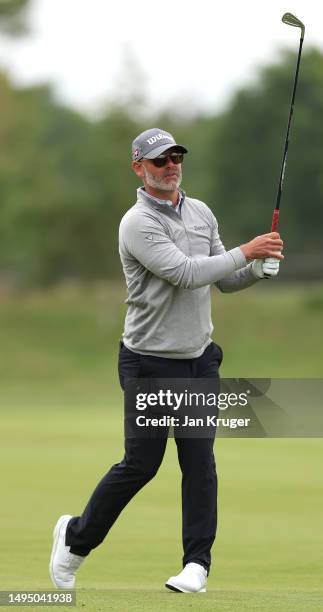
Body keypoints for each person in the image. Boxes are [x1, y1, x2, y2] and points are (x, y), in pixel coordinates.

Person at [49, 128, 283, 593]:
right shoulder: (136, 223)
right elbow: (184, 273)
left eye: (176, 156)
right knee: (142, 464)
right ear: (139, 167)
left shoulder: (201, 213)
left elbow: (224, 279)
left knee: (200, 462)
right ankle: (74, 538)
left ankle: (197, 564)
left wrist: (258, 268)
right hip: (149, 363)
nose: (171, 165)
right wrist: (247, 251)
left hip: (199, 360)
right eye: (159, 160)